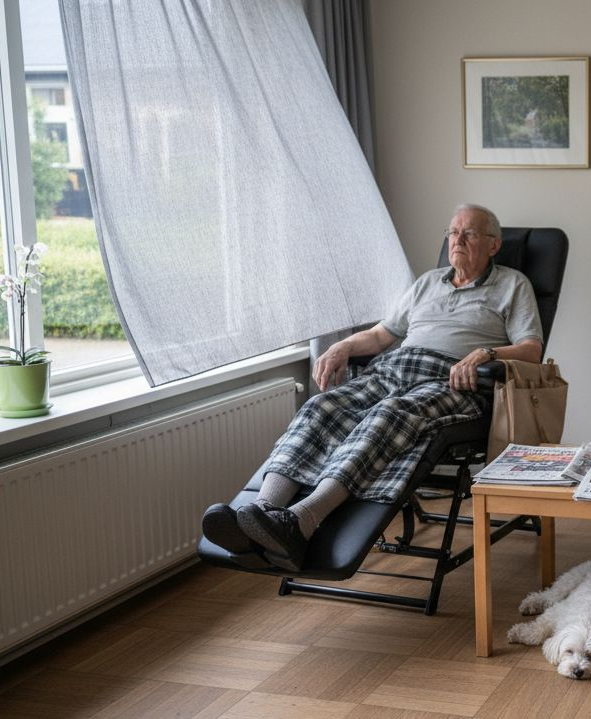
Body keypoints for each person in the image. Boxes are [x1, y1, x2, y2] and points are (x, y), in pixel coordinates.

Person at [200, 203, 544, 570]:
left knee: (388, 414)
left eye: (469, 233)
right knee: (322, 407)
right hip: (392, 370)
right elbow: (383, 334)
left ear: (494, 245)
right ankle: (262, 514)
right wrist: (343, 346)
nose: (457, 240)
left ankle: (300, 521)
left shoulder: (512, 284)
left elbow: (532, 350)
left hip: (453, 381)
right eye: (453, 232)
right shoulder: (428, 282)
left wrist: (484, 353)